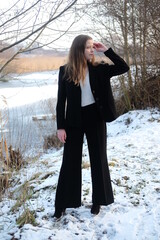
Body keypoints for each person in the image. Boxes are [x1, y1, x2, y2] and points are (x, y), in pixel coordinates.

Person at [54, 34, 129, 219]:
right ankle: (62, 203)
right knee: (70, 162)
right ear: (78, 49)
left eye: (92, 47)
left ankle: (98, 201)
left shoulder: (99, 68)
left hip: (95, 118)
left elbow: (123, 67)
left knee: (98, 158)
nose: (91, 50)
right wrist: (60, 127)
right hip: (73, 122)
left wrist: (107, 51)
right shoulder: (65, 71)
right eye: (88, 47)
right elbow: (60, 101)